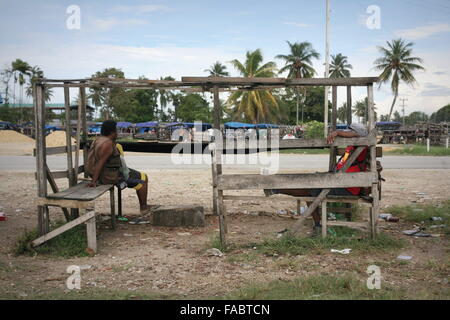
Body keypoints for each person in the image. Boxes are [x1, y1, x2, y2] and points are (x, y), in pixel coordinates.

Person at [264, 123, 376, 236]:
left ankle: (277, 189)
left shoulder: (361, 144)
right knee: (310, 183)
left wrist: (337, 132)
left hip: (347, 187)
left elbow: (355, 134)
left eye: (350, 132)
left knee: (309, 191)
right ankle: (278, 189)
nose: (347, 134)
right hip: (340, 181)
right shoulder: (353, 145)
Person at [86, 120, 155, 215]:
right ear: (111, 132)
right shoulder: (107, 144)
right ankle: (144, 209)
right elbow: (100, 163)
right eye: (116, 130)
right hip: (109, 176)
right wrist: (94, 181)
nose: (117, 132)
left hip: (106, 172)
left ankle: (144, 206)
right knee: (143, 180)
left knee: (141, 176)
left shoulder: (98, 139)